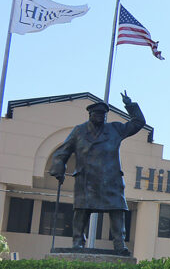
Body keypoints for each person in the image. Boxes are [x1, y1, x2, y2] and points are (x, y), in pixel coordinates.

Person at [49, 91, 145, 255]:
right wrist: (59, 167)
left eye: (103, 114)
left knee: (117, 210)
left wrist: (130, 105)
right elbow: (63, 151)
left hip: (111, 179)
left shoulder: (115, 129)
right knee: (81, 211)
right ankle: (78, 242)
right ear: (90, 115)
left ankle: (119, 244)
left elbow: (138, 122)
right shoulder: (79, 131)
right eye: (98, 114)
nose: (101, 117)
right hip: (87, 180)